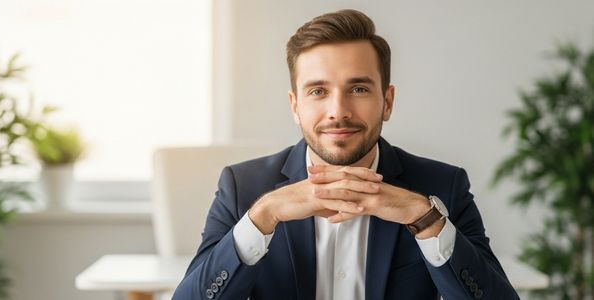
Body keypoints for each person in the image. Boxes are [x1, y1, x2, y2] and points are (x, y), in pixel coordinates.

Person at [173, 9, 518, 300]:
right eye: (318, 91)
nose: (338, 111)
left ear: (387, 101)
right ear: (295, 106)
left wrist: (424, 219)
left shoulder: (443, 185)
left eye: (358, 88)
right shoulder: (243, 187)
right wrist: (264, 215)